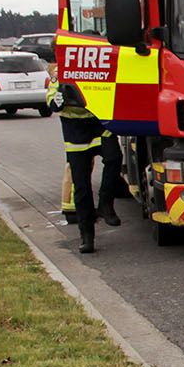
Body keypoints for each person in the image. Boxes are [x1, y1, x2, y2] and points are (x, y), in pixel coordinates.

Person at [48, 70, 124, 254]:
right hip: (75, 135)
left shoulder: (95, 65)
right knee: (81, 186)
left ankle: (106, 203)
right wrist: (58, 99)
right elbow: (51, 101)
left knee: (114, 159)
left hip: (100, 126)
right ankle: (87, 235)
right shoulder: (62, 73)